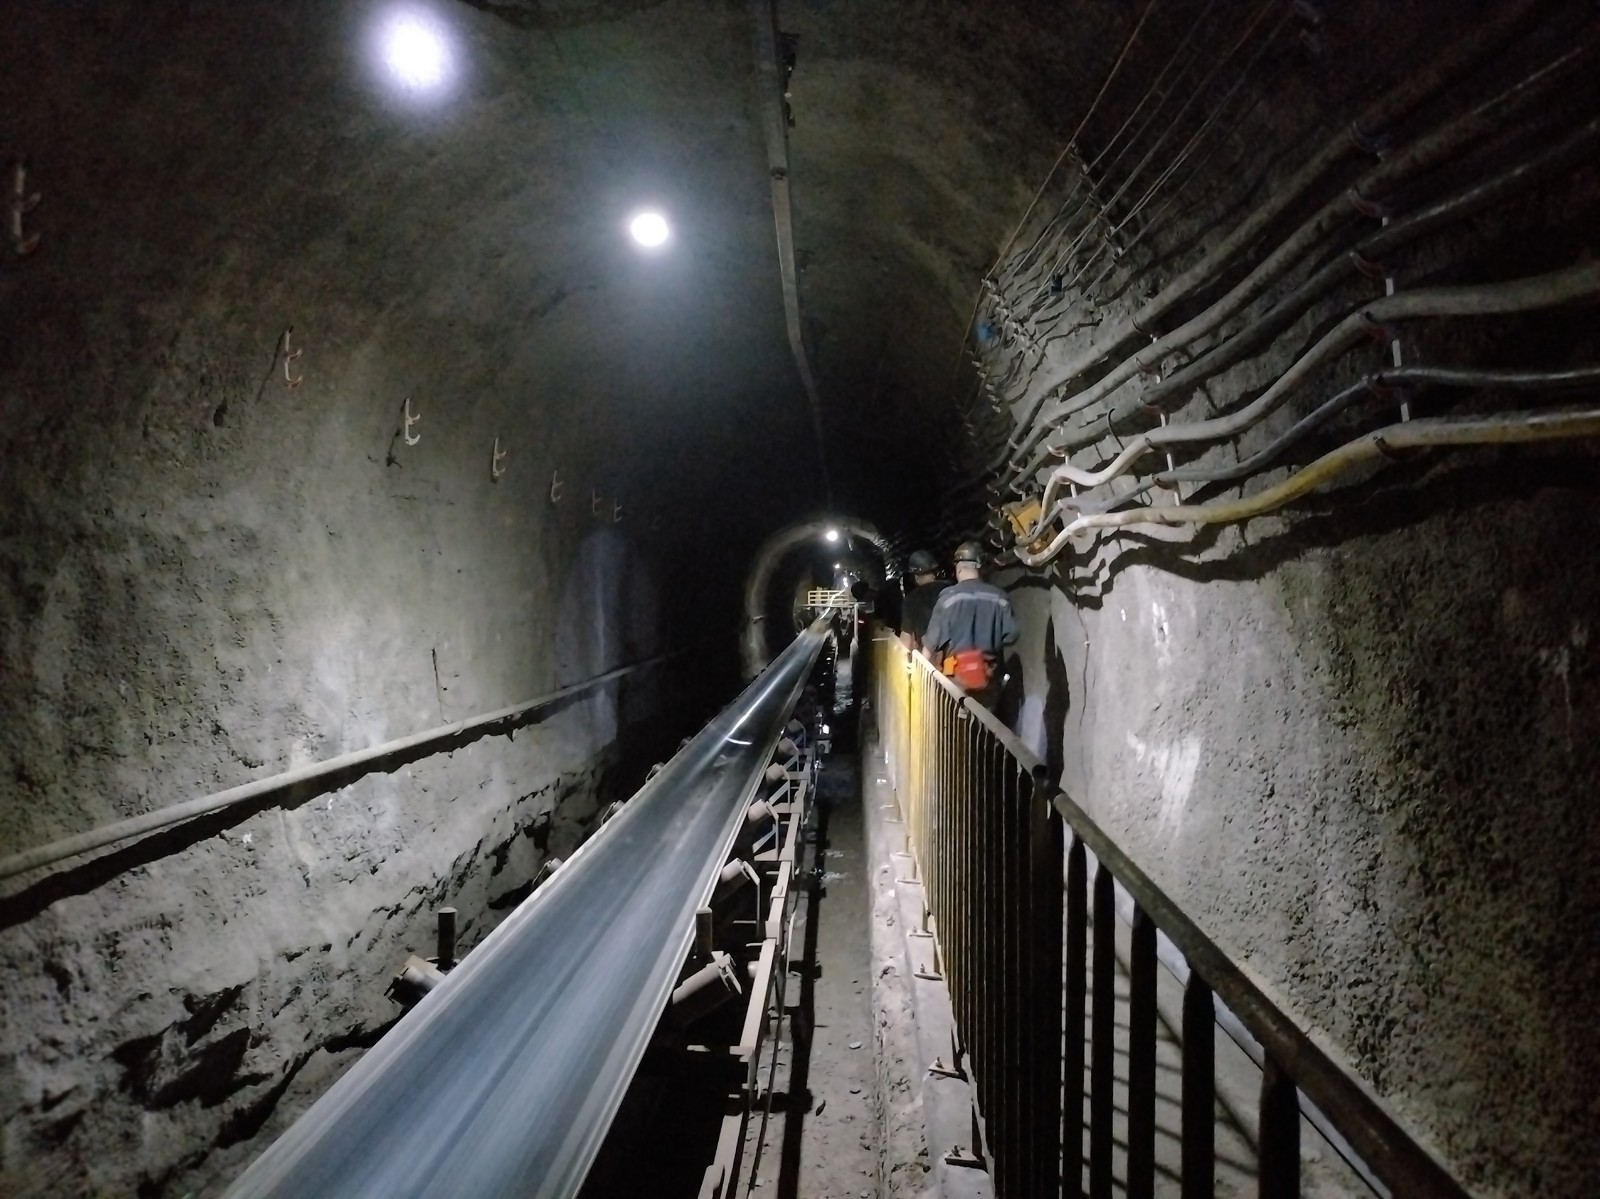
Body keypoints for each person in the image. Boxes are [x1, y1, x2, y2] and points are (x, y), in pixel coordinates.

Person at [920, 540, 1018, 709]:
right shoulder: (1000, 597)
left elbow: (930, 646)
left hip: (956, 681)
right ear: (980, 567)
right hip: (987, 677)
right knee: (985, 720)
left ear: (958, 568)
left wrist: (922, 679)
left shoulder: (948, 598)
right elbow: (1011, 635)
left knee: (954, 721)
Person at [898, 549, 950, 652]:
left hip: (929, 656)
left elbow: (906, 641)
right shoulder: (952, 589)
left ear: (916, 577)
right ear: (936, 572)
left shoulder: (911, 599)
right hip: (956, 653)